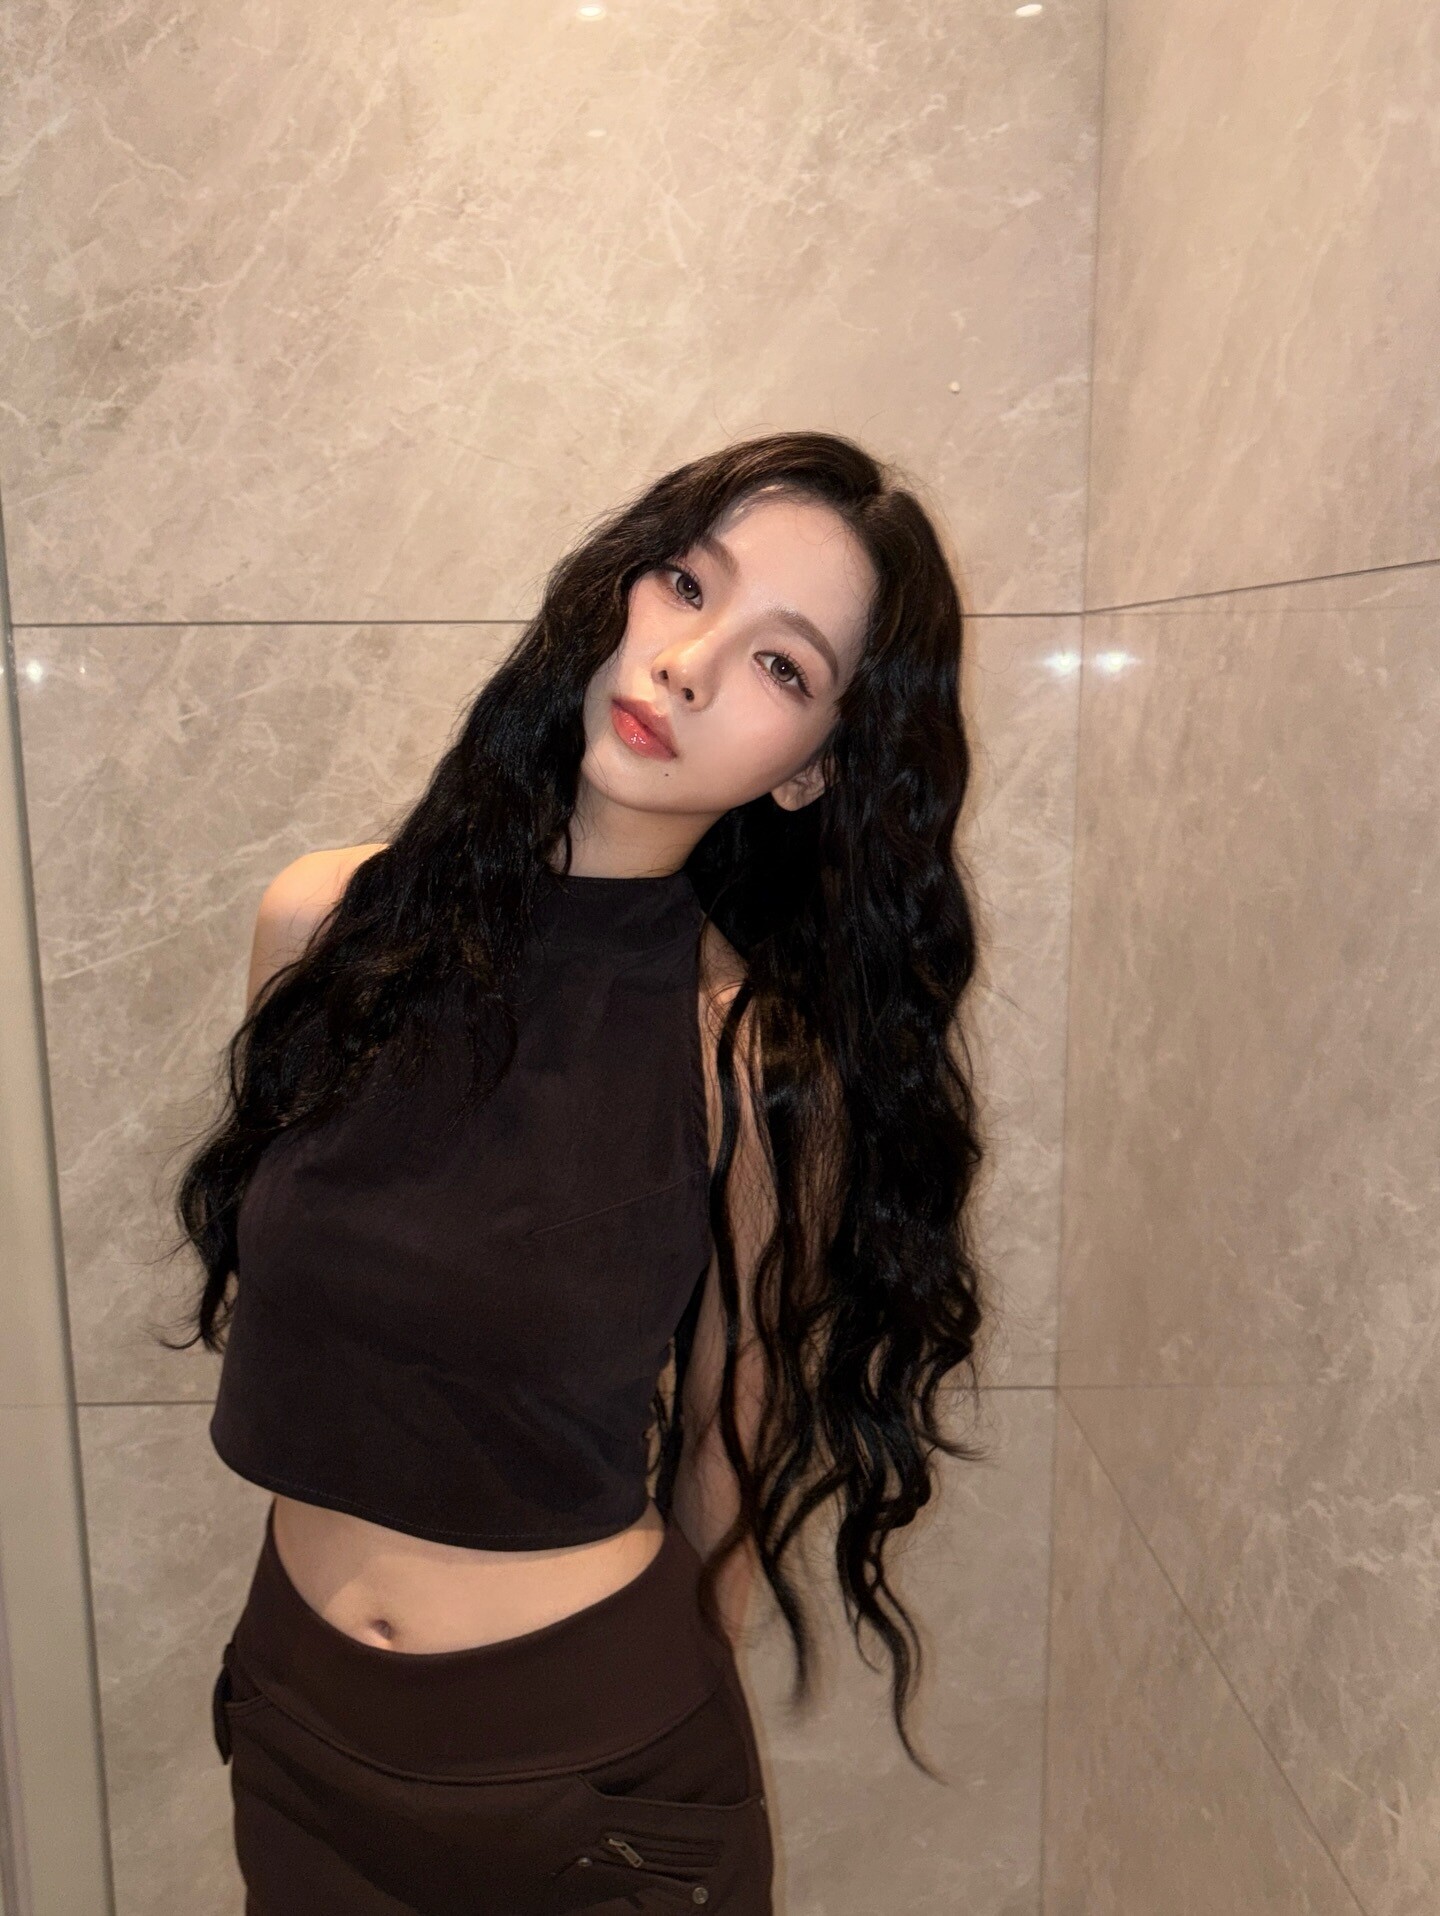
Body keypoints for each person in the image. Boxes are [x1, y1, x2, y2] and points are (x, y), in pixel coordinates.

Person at [159, 430, 990, 1914]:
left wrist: (648, 1703)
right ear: (617, 587)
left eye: (781, 664)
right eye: (687, 584)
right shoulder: (322, 927)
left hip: (595, 1788)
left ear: (814, 771)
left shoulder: (750, 1061)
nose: (686, 663)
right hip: (296, 1733)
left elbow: (732, 1438)